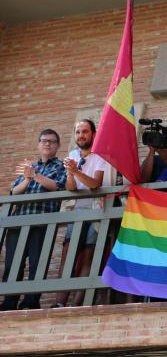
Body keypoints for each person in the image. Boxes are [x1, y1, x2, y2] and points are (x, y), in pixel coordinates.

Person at [0, 129, 66, 310]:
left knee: (38, 263)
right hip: (19, 221)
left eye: (52, 141)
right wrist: (28, 178)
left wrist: (35, 175)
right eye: (44, 140)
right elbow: (14, 191)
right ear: (38, 144)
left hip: (42, 223)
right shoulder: (29, 167)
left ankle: (31, 301)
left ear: (57, 146)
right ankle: (9, 301)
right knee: (13, 263)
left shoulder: (60, 166)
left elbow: (56, 186)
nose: (47, 144)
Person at [54, 119, 113, 307]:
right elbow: (70, 187)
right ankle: (59, 302)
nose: (81, 135)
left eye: (85, 131)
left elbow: (95, 184)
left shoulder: (100, 155)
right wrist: (71, 174)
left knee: (88, 255)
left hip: (95, 211)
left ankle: (77, 303)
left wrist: (75, 171)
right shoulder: (72, 154)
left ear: (93, 134)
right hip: (76, 212)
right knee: (68, 255)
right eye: (78, 132)